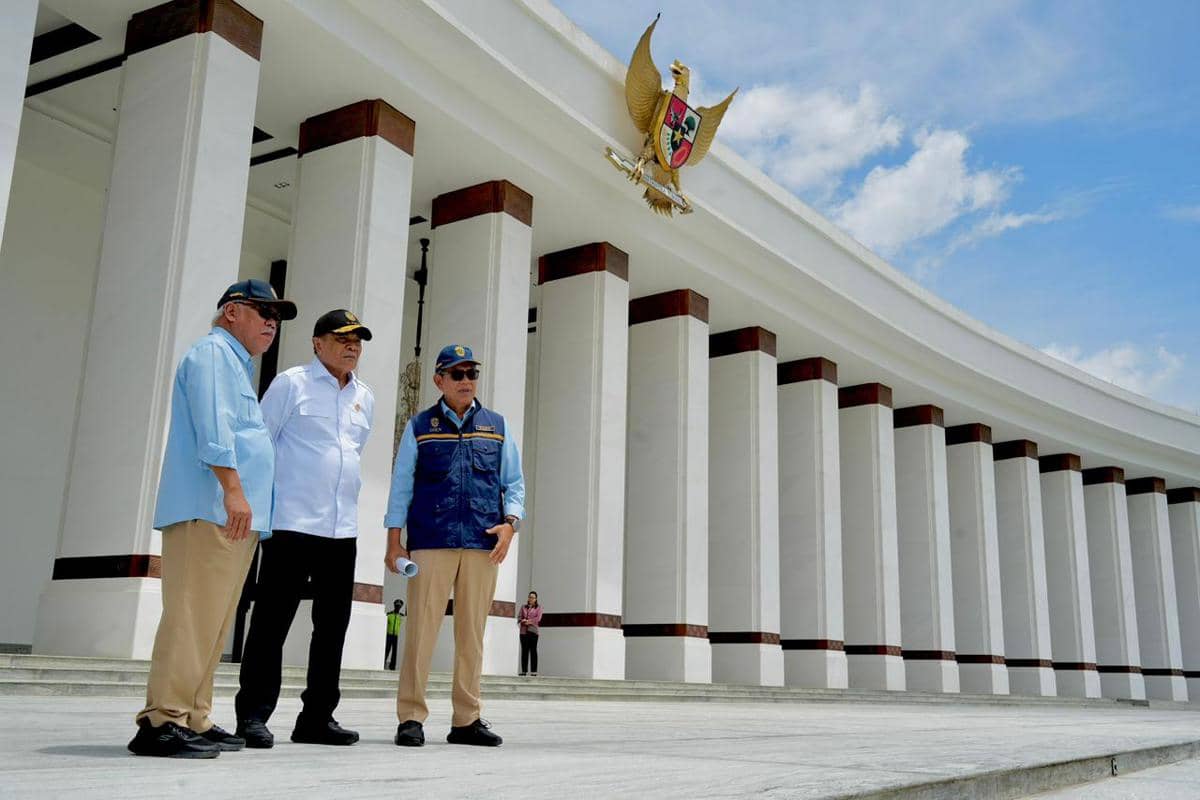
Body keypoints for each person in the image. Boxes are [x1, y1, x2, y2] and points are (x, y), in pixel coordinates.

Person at [128, 279, 296, 759]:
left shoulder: (236, 365)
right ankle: (162, 720)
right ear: (231, 312)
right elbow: (214, 429)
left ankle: (193, 716)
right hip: (211, 508)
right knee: (190, 617)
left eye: (276, 317)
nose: (271, 323)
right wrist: (234, 491)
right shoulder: (213, 355)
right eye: (263, 312)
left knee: (213, 623)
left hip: (233, 515)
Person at [235, 310, 376, 749]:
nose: (352, 346)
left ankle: (317, 717)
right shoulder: (291, 384)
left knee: (332, 629)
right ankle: (253, 715)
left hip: (341, 530)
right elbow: (260, 444)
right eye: (342, 338)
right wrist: (254, 508)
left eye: (357, 340)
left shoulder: (364, 397)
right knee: (271, 623)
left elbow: (352, 452)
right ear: (317, 343)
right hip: (291, 525)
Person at [384, 344, 524, 748]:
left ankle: (467, 719)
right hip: (432, 539)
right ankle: (411, 716)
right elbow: (401, 486)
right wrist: (394, 541)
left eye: (471, 373)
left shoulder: (496, 426)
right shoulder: (420, 427)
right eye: (457, 374)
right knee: (420, 631)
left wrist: (511, 524)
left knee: (472, 635)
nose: (466, 381)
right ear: (439, 380)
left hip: (483, 542)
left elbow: (514, 483)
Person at [518, 591, 542, 677]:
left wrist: (529, 621)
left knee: (533, 651)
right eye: (529, 597)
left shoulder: (538, 608)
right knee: (524, 651)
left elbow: (538, 618)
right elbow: (519, 617)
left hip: (533, 632)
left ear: (535, 599)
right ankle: (524, 671)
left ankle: (534, 671)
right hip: (523, 632)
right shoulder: (523, 607)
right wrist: (522, 620)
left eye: (532, 597)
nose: (530, 599)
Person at [385, 600, 406, 670]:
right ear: (394, 606)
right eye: (396, 606)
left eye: (399, 607)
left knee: (394, 651)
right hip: (389, 635)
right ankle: (383, 663)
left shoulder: (401, 616)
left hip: (395, 636)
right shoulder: (389, 615)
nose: (397, 608)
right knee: (387, 650)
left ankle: (392, 666)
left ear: (400, 607)